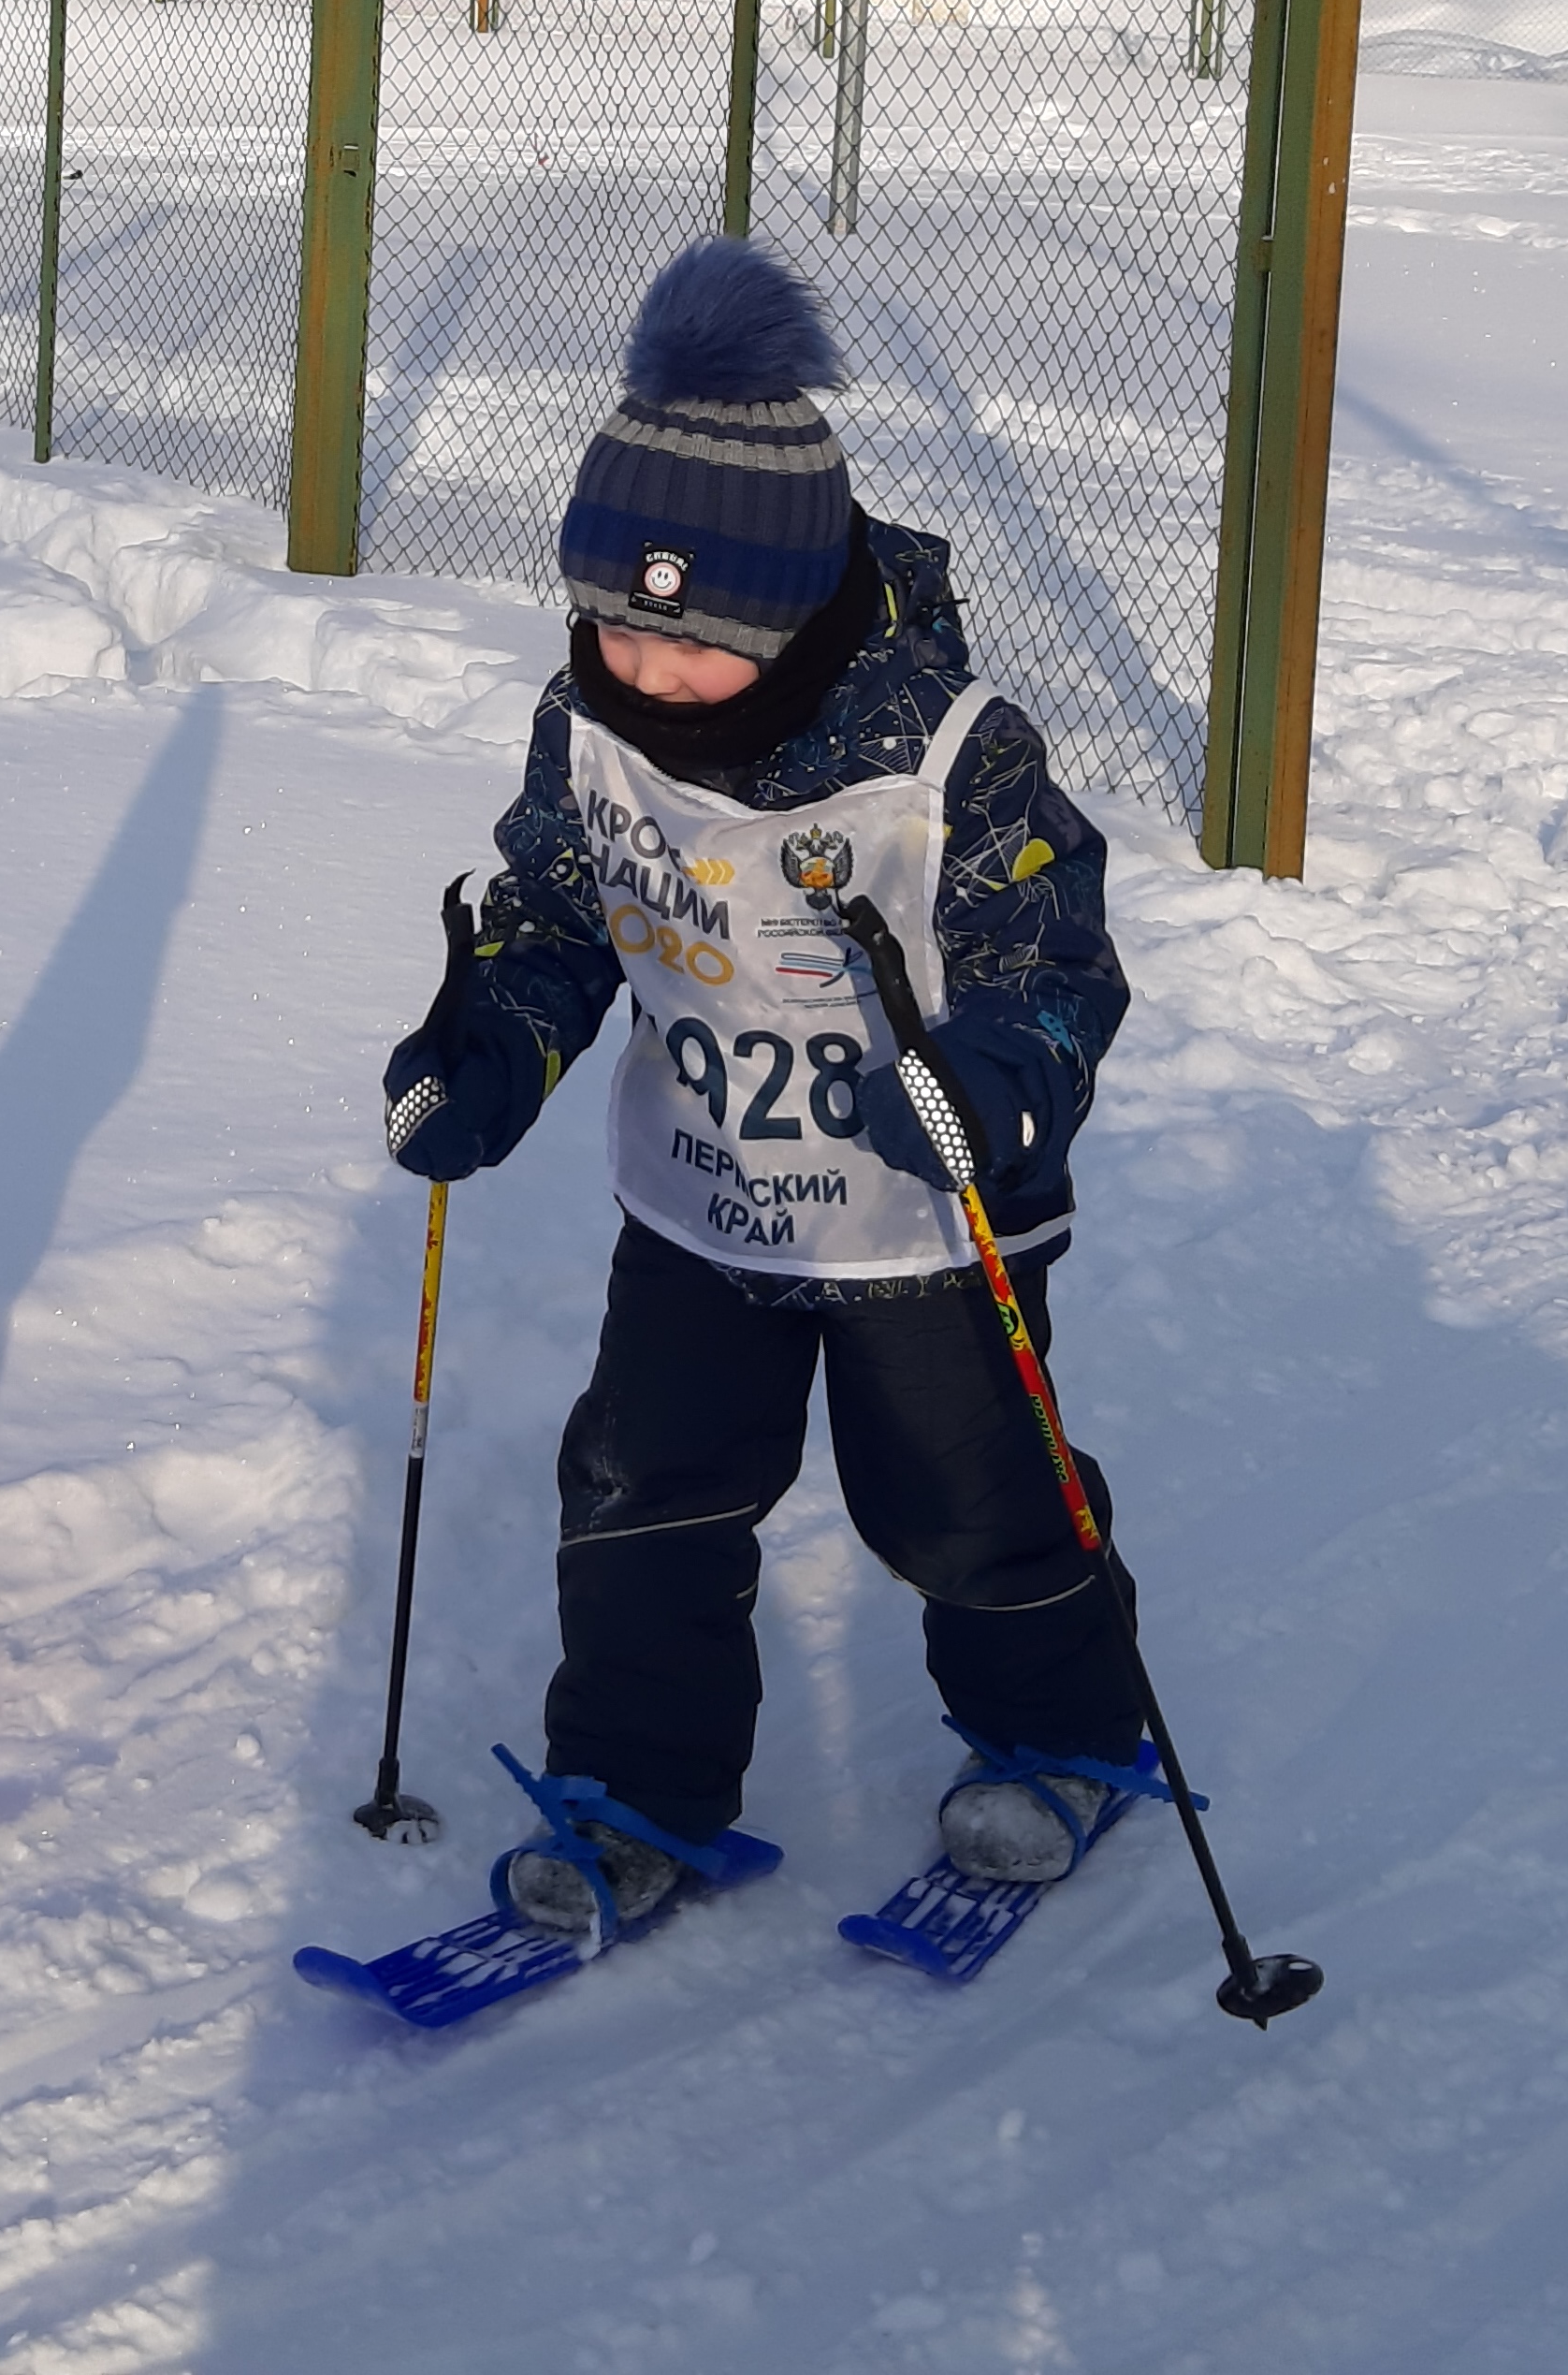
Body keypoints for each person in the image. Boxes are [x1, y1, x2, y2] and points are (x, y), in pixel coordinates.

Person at [381, 235, 1152, 1949]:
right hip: (702, 1198)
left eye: (694, 646)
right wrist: (494, 1041)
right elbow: (563, 912)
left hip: (925, 1225)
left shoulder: (950, 752)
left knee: (966, 1504)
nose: (643, 674)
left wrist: (996, 1081)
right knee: (641, 1492)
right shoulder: (589, 730)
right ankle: (636, 1788)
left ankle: (1063, 1728)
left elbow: (1058, 970)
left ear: (795, 614)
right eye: (614, 628)